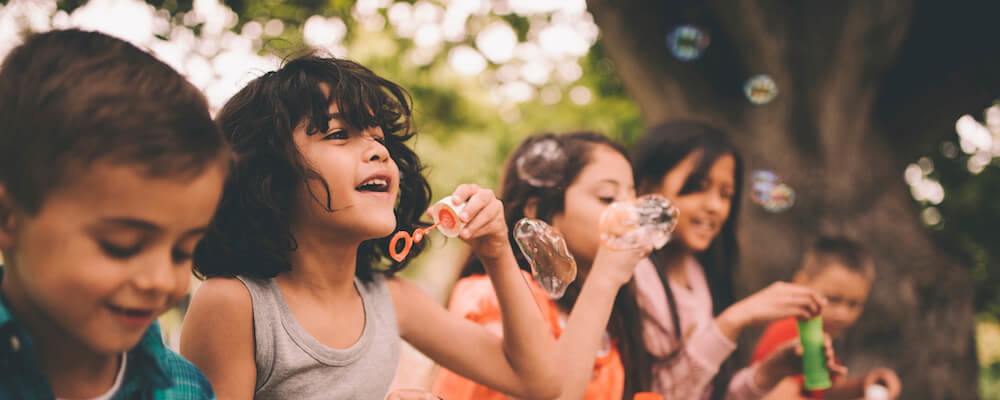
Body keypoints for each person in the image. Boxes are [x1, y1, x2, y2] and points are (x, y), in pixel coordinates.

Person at [179, 54, 559, 400]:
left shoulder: (388, 298)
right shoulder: (235, 304)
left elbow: (538, 383)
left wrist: (496, 252)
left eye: (378, 138)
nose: (379, 151)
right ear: (268, 174)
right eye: (339, 134)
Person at [0, 29, 227, 399]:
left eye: (182, 252)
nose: (161, 281)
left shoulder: (187, 389)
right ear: (8, 218)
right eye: (122, 246)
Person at [433, 132, 654, 399]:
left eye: (632, 198)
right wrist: (605, 280)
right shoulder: (493, 297)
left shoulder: (612, 317)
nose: (629, 213)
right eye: (607, 198)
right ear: (537, 212)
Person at [630, 120, 839, 399]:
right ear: (647, 188)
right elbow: (659, 394)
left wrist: (769, 371)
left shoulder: (700, 276)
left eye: (726, 194)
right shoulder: (632, 275)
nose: (715, 206)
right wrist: (731, 322)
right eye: (698, 187)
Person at [752, 236, 902, 400]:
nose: (842, 314)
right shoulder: (789, 332)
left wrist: (863, 385)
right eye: (833, 299)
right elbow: (779, 396)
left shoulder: (820, 333)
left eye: (854, 304)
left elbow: (823, 390)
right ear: (800, 283)